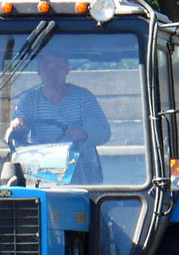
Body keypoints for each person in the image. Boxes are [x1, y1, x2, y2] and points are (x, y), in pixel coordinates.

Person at [9, 52, 110, 182]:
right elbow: (13, 132)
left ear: (67, 69)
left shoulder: (83, 98)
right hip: (41, 170)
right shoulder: (29, 100)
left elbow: (104, 132)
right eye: (46, 66)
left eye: (57, 66)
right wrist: (18, 126)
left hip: (81, 171)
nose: (52, 72)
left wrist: (83, 134)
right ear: (38, 70)